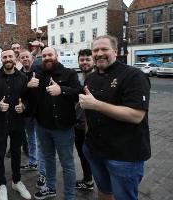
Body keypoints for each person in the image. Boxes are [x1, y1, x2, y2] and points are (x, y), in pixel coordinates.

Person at [79, 35, 151, 200]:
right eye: (95, 50)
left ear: (116, 51)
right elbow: (89, 114)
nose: (99, 53)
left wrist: (96, 104)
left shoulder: (134, 76)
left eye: (104, 49)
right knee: (103, 191)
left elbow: (136, 115)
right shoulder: (91, 78)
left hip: (123, 155)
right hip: (95, 150)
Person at [28, 47, 81, 200]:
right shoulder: (38, 74)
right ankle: (51, 188)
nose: (47, 57)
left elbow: (79, 93)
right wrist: (29, 87)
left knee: (67, 164)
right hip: (43, 127)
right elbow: (32, 99)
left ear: (56, 56)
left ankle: (69, 196)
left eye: (50, 54)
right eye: (44, 55)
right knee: (48, 159)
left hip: (63, 128)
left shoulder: (69, 73)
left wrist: (62, 90)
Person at [0, 49, 31, 200]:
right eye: (4, 57)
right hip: (0, 123)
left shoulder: (23, 77)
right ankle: (2, 184)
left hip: (17, 123)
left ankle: (16, 181)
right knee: (0, 153)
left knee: (16, 153)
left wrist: (23, 106)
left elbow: (29, 99)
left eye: (10, 56)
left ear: (15, 58)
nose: (7, 59)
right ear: (1, 59)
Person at [18, 49, 47, 190]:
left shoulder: (40, 71)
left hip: (40, 113)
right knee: (30, 139)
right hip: (27, 113)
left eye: (27, 57)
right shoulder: (20, 74)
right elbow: (18, 92)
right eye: (22, 57)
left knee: (42, 143)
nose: (25, 59)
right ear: (20, 60)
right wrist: (26, 86)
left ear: (32, 58)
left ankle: (43, 173)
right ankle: (33, 162)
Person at [74, 49, 94, 190]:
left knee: (92, 155)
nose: (85, 62)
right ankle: (88, 180)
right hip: (78, 125)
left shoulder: (97, 77)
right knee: (82, 154)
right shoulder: (78, 77)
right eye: (82, 59)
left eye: (88, 59)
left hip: (92, 126)